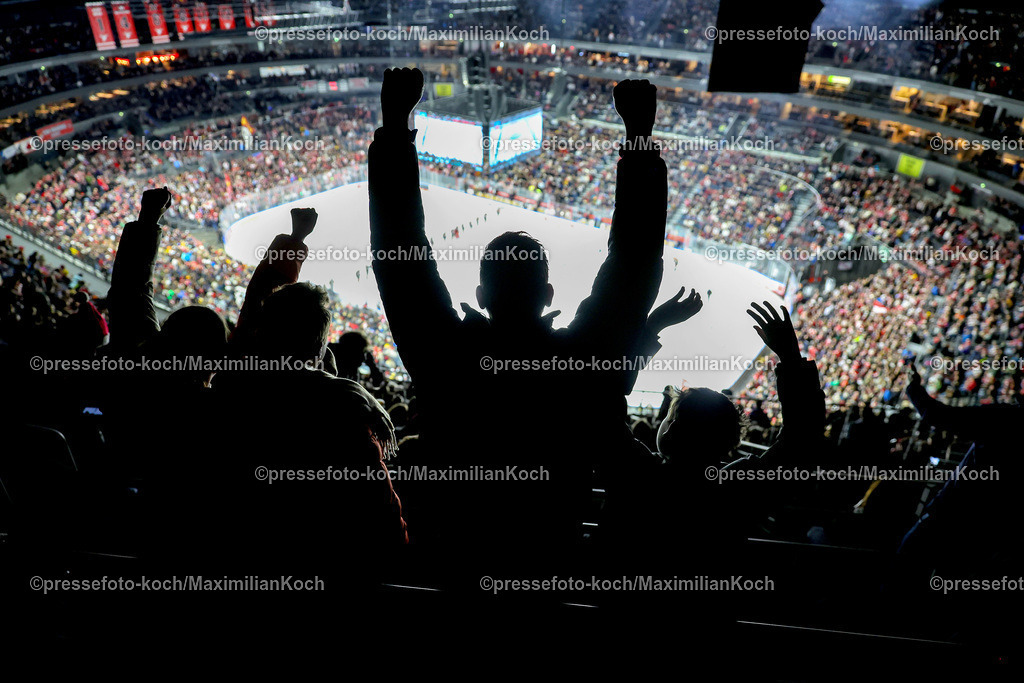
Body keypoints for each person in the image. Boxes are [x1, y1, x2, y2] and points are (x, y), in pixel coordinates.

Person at [368, 67, 667, 553]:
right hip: (550, 558)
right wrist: (638, 139)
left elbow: (398, 254)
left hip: (458, 559)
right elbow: (633, 266)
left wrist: (396, 127)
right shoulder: (580, 364)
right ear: (548, 295)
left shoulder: (444, 357)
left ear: (481, 296)